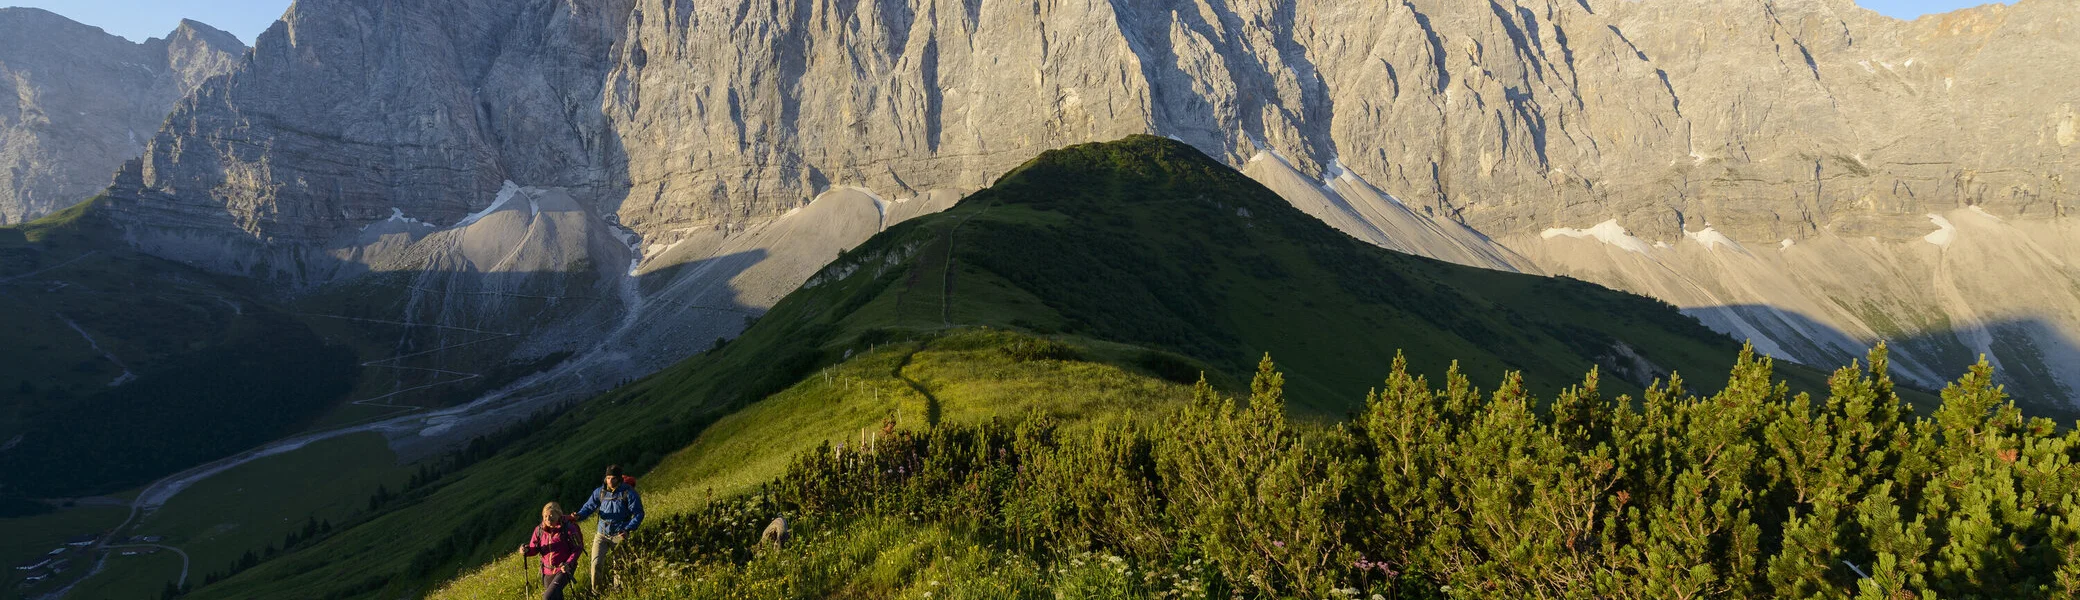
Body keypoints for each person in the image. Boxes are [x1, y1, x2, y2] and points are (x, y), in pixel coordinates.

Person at [572, 464, 644, 591]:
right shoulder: (599, 492)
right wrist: (578, 515)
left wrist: (628, 529)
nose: (610, 481)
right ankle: (597, 592)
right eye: (608, 478)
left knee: (620, 566)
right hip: (601, 534)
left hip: (620, 534)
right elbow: (588, 507)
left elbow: (639, 513)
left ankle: (619, 591)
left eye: (613, 478)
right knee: (595, 564)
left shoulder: (628, 492)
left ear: (619, 479)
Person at [519, 502, 581, 600]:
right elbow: (534, 549)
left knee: (547, 597)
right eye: (545, 516)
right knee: (556, 596)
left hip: (564, 568)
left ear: (559, 515)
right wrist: (526, 550)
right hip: (547, 570)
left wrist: (568, 564)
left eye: (551, 515)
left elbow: (577, 549)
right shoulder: (539, 530)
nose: (548, 518)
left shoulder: (568, 528)